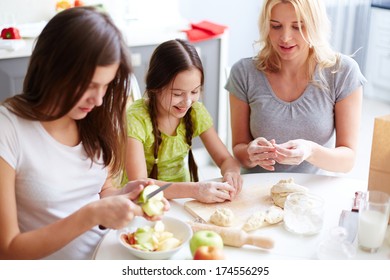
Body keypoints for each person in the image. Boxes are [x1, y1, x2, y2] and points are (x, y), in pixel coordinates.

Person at [0, 7, 168, 260]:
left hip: (108, 255)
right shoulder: (9, 129)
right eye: (89, 86)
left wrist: (126, 195)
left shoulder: (91, 120)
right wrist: (92, 214)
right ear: (53, 68)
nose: (99, 100)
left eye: (105, 86)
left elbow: (102, 191)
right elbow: (8, 250)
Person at [225, 0, 366, 174]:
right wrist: (250, 153)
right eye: (276, 26)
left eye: (298, 26)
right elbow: (239, 150)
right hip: (257, 191)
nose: (285, 37)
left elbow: (347, 160)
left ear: (315, 25)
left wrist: (310, 151)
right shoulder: (244, 73)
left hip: (313, 194)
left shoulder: (342, 72)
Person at [123, 39, 242, 203]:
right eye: (178, 94)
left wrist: (231, 173)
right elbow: (140, 186)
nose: (187, 102)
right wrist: (195, 189)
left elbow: (225, 159)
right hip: (141, 202)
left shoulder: (195, 112)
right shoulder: (136, 119)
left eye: (194, 91)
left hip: (183, 199)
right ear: (156, 87)